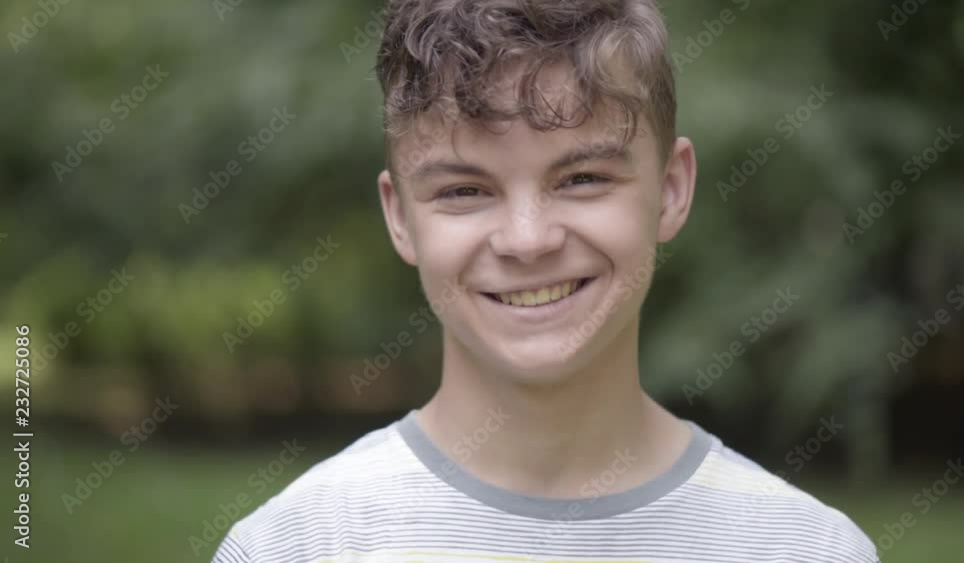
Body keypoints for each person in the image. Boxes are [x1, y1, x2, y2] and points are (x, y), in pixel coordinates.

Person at [213, 1, 878, 561]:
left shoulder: (809, 549)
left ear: (672, 189)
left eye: (583, 178)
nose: (528, 239)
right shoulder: (293, 546)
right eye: (465, 189)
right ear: (401, 218)